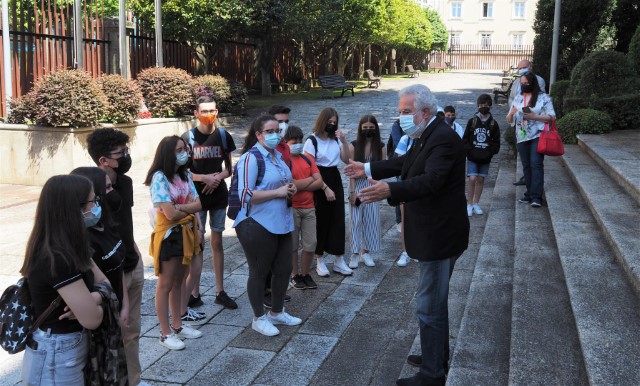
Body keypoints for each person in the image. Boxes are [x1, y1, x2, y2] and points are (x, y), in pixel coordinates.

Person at [344, 84, 469, 386]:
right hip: (433, 232)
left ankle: (432, 374)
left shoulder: (443, 139)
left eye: (405, 112)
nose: (400, 118)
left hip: (440, 237)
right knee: (434, 302)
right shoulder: (425, 134)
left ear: (424, 112)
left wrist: (391, 189)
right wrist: (368, 167)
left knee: (429, 305)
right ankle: (435, 356)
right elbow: (404, 164)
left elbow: (432, 181)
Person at [21, 175, 107, 385]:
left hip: (64, 350)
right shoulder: (57, 257)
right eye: (92, 201)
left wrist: (93, 298)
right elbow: (93, 319)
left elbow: (105, 284)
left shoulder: (69, 245)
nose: (95, 207)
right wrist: (97, 300)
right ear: (74, 208)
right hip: (56, 356)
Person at [232, 115, 302, 336]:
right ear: (258, 135)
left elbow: (284, 182)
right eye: (269, 131)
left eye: (277, 131)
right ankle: (258, 318)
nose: (275, 135)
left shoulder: (277, 156)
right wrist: (278, 192)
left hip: (281, 222)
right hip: (256, 223)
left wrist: (290, 189)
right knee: (259, 272)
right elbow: (245, 194)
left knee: (284, 269)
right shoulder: (251, 158)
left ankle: (277, 311)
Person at [87, 128, 145, 386]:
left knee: (132, 331)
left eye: (126, 150)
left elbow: (124, 221)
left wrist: (134, 249)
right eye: (121, 153)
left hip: (132, 262)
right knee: (110, 334)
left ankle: (133, 379)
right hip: (109, 270)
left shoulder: (125, 182)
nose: (126, 156)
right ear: (103, 160)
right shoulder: (88, 191)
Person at [145, 136, 203, 350]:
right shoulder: (159, 177)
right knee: (165, 284)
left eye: (185, 148)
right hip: (170, 236)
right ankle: (165, 332)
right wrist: (185, 207)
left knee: (180, 280)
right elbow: (169, 214)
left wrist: (182, 209)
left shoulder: (185, 174)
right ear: (168, 153)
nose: (184, 152)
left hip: (187, 232)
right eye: (179, 149)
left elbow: (198, 204)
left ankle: (177, 324)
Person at [182, 95, 238, 312]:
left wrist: (217, 177)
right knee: (198, 243)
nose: (208, 114)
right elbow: (183, 171)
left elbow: (229, 169)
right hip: (196, 198)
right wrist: (203, 178)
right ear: (196, 113)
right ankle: (193, 293)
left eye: (212, 110)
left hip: (217, 195)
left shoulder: (223, 136)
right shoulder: (188, 137)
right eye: (204, 111)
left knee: (217, 241)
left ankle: (219, 290)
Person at [70, 167, 128, 328]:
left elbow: (118, 268)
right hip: (101, 315)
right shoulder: (82, 241)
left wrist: (125, 306)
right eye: (107, 188)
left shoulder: (106, 224)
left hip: (117, 305)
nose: (112, 193)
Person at [303, 107, 353, 277]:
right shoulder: (312, 141)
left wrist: (344, 141)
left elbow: (346, 160)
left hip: (334, 176)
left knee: (338, 218)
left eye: (334, 122)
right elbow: (309, 167)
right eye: (329, 122)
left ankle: (339, 259)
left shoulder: (335, 140)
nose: (331, 125)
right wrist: (324, 187)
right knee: (321, 220)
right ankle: (319, 259)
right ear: (322, 121)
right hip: (319, 179)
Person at [507, 71, 556, 208]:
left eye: (526, 83)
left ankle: (536, 196)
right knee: (526, 165)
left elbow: (552, 117)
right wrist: (511, 114)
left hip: (538, 135)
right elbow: (509, 119)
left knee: (536, 164)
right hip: (521, 136)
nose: (524, 86)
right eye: (522, 84)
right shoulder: (518, 98)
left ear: (533, 83)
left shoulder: (543, 98)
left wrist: (535, 117)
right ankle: (529, 193)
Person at [284, 125, 323, 290]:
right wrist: (309, 181)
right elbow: (289, 184)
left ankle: (306, 274)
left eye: (300, 140)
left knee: (310, 243)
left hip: (309, 207)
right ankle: (294, 275)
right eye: (294, 141)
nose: (298, 144)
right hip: (292, 208)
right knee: (292, 245)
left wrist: (300, 184)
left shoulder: (308, 158)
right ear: (286, 142)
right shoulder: (284, 160)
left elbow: (319, 182)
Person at [348, 114, 386, 269]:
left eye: (371, 127)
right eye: (365, 128)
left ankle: (366, 252)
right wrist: (351, 192)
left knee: (371, 220)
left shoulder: (381, 147)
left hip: (372, 185)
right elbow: (351, 172)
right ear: (360, 129)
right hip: (357, 186)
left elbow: (383, 170)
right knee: (355, 221)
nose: (368, 130)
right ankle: (354, 253)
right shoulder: (354, 146)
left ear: (376, 128)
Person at [509, 59, 546, 187]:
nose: (522, 70)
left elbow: (538, 98)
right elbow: (512, 98)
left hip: (534, 126)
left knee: (535, 161)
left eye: (524, 67)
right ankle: (527, 181)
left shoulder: (538, 80)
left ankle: (534, 191)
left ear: (530, 66)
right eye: (519, 68)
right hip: (520, 125)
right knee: (525, 160)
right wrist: (512, 113)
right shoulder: (516, 82)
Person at [462, 94, 501, 217]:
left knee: (480, 179)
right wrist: (470, 151)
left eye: (485, 105)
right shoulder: (472, 121)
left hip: (485, 157)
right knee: (472, 178)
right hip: (473, 156)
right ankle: (469, 204)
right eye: (480, 105)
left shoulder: (493, 124)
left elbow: (496, 141)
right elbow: (466, 139)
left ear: (490, 106)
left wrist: (490, 152)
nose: (483, 107)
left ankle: (476, 203)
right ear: (478, 106)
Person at [393, 134, 415, 268]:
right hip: (406, 183)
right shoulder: (405, 139)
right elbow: (400, 162)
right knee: (405, 218)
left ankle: (419, 249)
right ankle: (406, 251)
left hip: (422, 183)